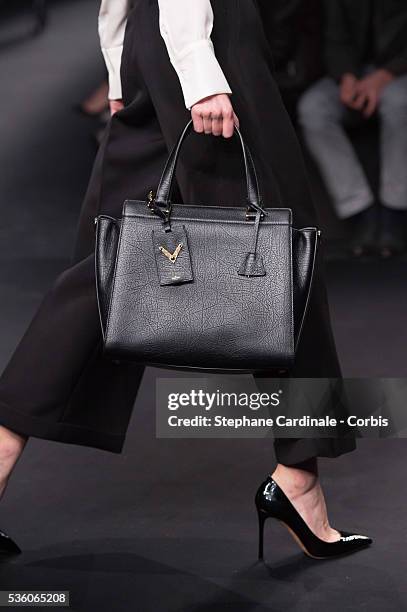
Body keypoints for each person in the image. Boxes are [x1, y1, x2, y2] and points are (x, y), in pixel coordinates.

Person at [0, 0, 371, 559]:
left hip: (160, 39)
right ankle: (299, 479)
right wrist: (199, 71)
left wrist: (120, 54)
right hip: (206, 35)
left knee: (109, 267)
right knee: (284, 254)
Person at [298, 0, 407, 258]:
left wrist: (385, 75)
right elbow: (335, 38)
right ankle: (359, 210)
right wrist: (346, 76)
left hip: (398, 73)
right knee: (313, 108)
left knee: (399, 104)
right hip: (356, 75)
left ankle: (395, 211)